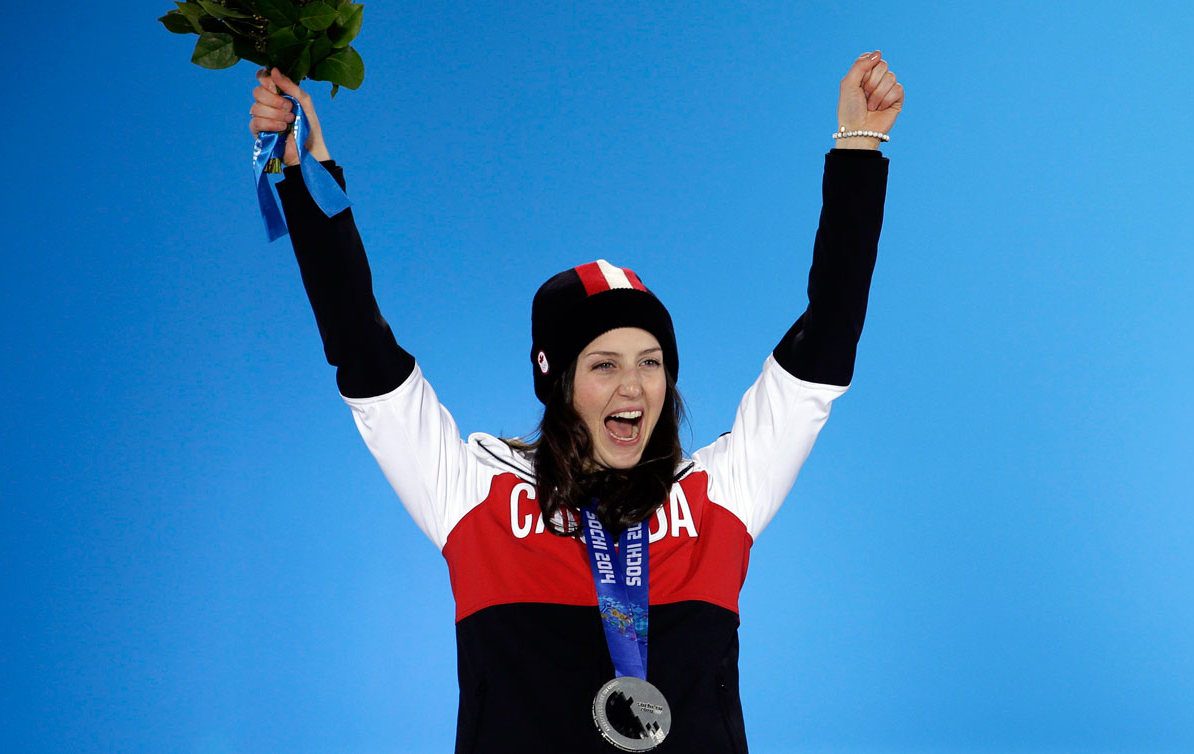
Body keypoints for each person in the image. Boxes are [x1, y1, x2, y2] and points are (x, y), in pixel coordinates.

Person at [248, 50, 902, 754]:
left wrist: (860, 147)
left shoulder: (721, 495)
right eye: (603, 365)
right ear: (555, 381)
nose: (633, 387)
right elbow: (366, 356)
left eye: (651, 363)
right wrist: (306, 175)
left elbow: (825, 344)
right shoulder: (475, 490)